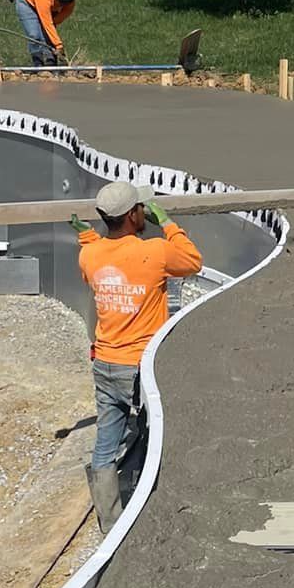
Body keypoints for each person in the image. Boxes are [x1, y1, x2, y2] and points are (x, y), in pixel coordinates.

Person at [75, 180, 203, 531]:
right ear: (132, 214)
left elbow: (94, 268)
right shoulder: (155, 252)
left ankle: (109, 520)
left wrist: (88, 238)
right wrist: (169, 223)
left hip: (104, 362)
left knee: (106, 442)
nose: (144, 213)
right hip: (140, 365)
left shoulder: (90, 253)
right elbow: (193, 261)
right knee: (154, 432)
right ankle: (150, 502)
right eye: (142, 209)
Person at [14, 0, 76, 67]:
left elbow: (64, 14)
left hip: (46, 7)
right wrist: (59, 45)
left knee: (47, 36)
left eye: (63, 5)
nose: (61, 7)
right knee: (34, 35)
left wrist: (54, 22)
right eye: (59, 4)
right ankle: (38, 64)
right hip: (27, 3)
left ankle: (51, 63)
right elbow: (47, 23)